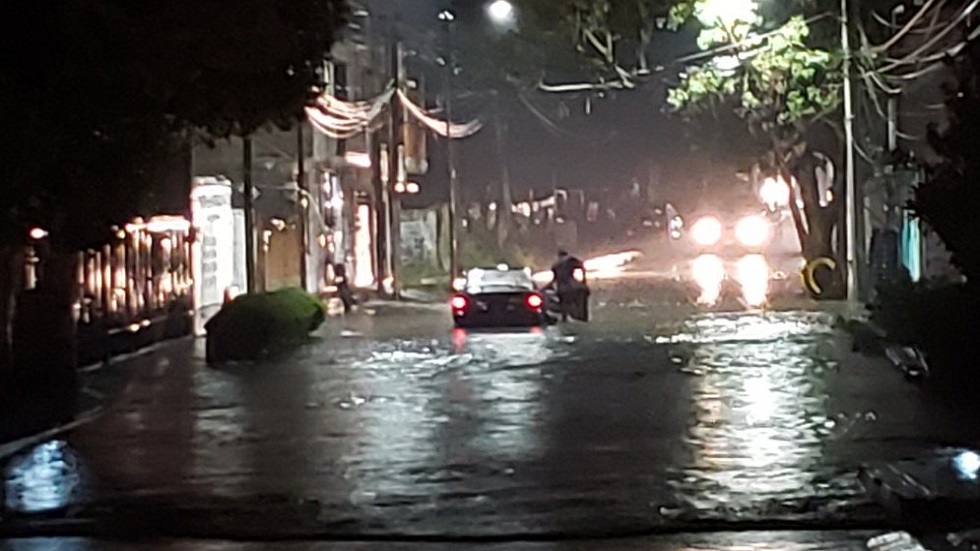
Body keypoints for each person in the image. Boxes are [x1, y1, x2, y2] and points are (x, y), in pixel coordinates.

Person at [550, 249, 587, 322]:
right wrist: (583, 280)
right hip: (573, 284)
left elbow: (555, 279)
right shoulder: (570, 259)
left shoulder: (555, 265)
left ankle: (565, 318)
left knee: (563, 303)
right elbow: (582, 267)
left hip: (562, 287)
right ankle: (582, 317)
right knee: (583, 296)